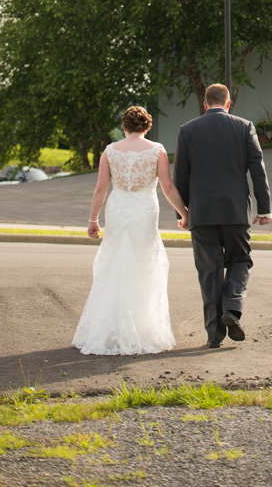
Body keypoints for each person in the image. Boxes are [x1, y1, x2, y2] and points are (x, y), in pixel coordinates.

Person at [73, 105, 189, 355]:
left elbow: (100, 189)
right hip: (144, 210)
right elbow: (167, 188)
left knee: (114, 263)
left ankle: (106, 331)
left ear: (124, 126)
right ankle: (143, 329)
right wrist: (184, 213)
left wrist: (93, 220)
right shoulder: (157, 150)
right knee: (144, 263)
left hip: (118, 209)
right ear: (146, 126)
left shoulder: (110, 151)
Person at [173, 83, 272, 349]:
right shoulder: (244, 127)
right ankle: (233, 308)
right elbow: (257, 169)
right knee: (240, 259)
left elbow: (180, 176)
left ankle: (214, 336)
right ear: (228, 104)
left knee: (209, 272)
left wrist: (182, 214)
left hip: (202, 213)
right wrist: (264, 209)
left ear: (205, 104)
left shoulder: (187, 130)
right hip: (235, 211)